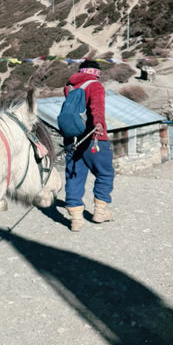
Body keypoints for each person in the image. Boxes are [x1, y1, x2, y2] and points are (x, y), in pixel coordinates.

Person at [63, 60, 114, 231]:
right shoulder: (95, 85)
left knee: (74, 175)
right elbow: (97, 108)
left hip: (72, 139)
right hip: (94, 138)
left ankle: (76, 219)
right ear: (96, 72)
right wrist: (98, 124)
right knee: (105, 173)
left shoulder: (69, 87)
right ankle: (100, 212)